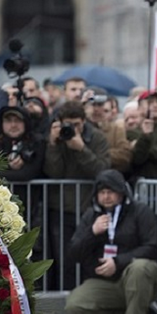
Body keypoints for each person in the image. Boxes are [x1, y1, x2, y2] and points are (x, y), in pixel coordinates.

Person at [65, 169, 157, 314]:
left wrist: (118, 262)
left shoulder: (140, 211)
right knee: (75, 305)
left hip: (138, 278)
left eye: (110, 192)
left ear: (121, 192)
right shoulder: (91, 216)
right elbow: (73, 254)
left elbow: (152, 248)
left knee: (140, 267)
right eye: (102, 192)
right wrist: (92, 233)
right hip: (106, 282)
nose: (106, 197)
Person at [43, 101, 110, 290]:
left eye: (77, 124)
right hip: (61, 209)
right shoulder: (57, 138)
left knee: (90, 257)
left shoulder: (97, 138)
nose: (73, 129)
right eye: (68, 124)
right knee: (65, 260)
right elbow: (53, 172)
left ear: (84, 121)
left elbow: (102, 171)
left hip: (89, 208)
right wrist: (53, 145)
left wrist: (81, 149)